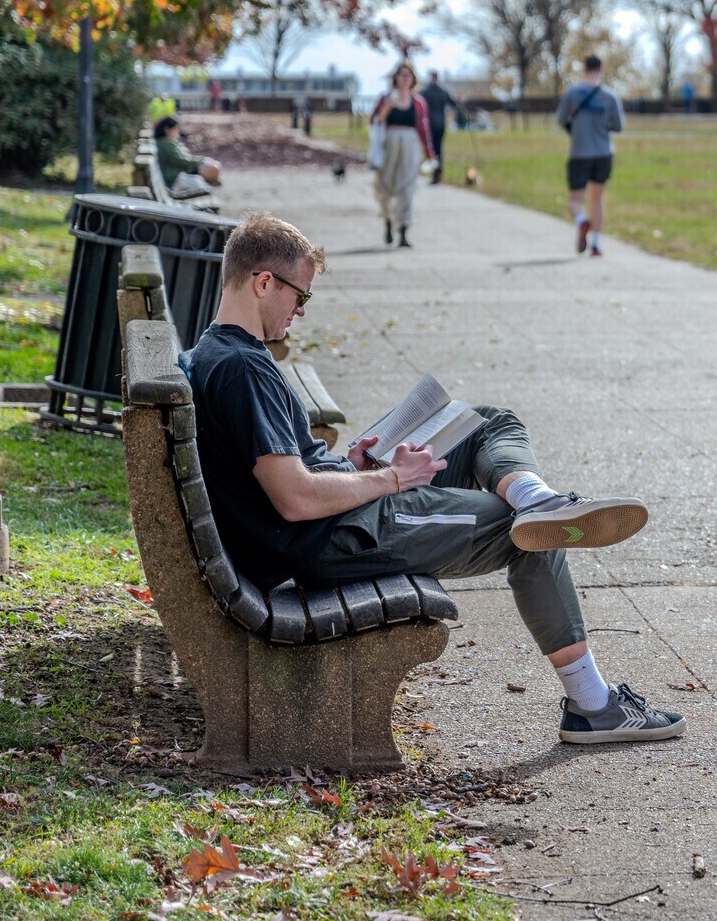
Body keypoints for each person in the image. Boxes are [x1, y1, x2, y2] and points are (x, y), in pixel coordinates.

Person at [186, 213, 684, 744]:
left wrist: (351, 465)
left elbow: (291, 478)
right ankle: (594, 705)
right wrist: (392, 479)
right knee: (528, 531)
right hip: (334, 537)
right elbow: (294, 499)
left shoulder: (216, 353)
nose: (300, 312)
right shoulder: (243, 368)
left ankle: (534, 494)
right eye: (300, 297)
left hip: (335, 522)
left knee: (488, 421)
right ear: (264, 282)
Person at [557, 54, 624, 257]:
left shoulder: (572, 93)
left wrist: (576, 128)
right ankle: (596, 244)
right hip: (603, 153)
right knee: (597, 198)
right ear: (601, 69)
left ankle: (581, 221)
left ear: (584, 68)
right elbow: (618, 126)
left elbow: (561, 119)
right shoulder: (610, 96)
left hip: (579, 152)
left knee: (577, 199)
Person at [370, 63, 434, 248]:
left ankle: (403, 231)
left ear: (413, 79)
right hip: (390, 143)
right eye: (402, 75)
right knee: (386, 185)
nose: (405, 78)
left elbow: (424, 129)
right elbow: (376, 121)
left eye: (409, 75)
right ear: (396, 78)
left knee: (407, 188)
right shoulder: (385, 98)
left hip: (410, 144)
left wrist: (430, 154)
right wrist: (388, 107)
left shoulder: (418, 102)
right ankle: (388, 223)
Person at [154, 116, 221, 193]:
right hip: (176, 178)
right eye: (176, 128)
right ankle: (212, 183)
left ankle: (211, 183)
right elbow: (181, 160)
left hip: (180, 173)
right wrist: (202, 160)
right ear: (167, 129)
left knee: (214, 166)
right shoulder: (165, 143)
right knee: (213, 168)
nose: (178, 131)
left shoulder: (167, 141)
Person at [419, 71, 461, 184]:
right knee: (438, 148)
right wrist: (460, 101)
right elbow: (454, 103)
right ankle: (438, 170)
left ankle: (435, 171)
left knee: (432, 148)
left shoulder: (425, 92)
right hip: (441, 124)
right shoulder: (443, 92)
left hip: (430, 124)